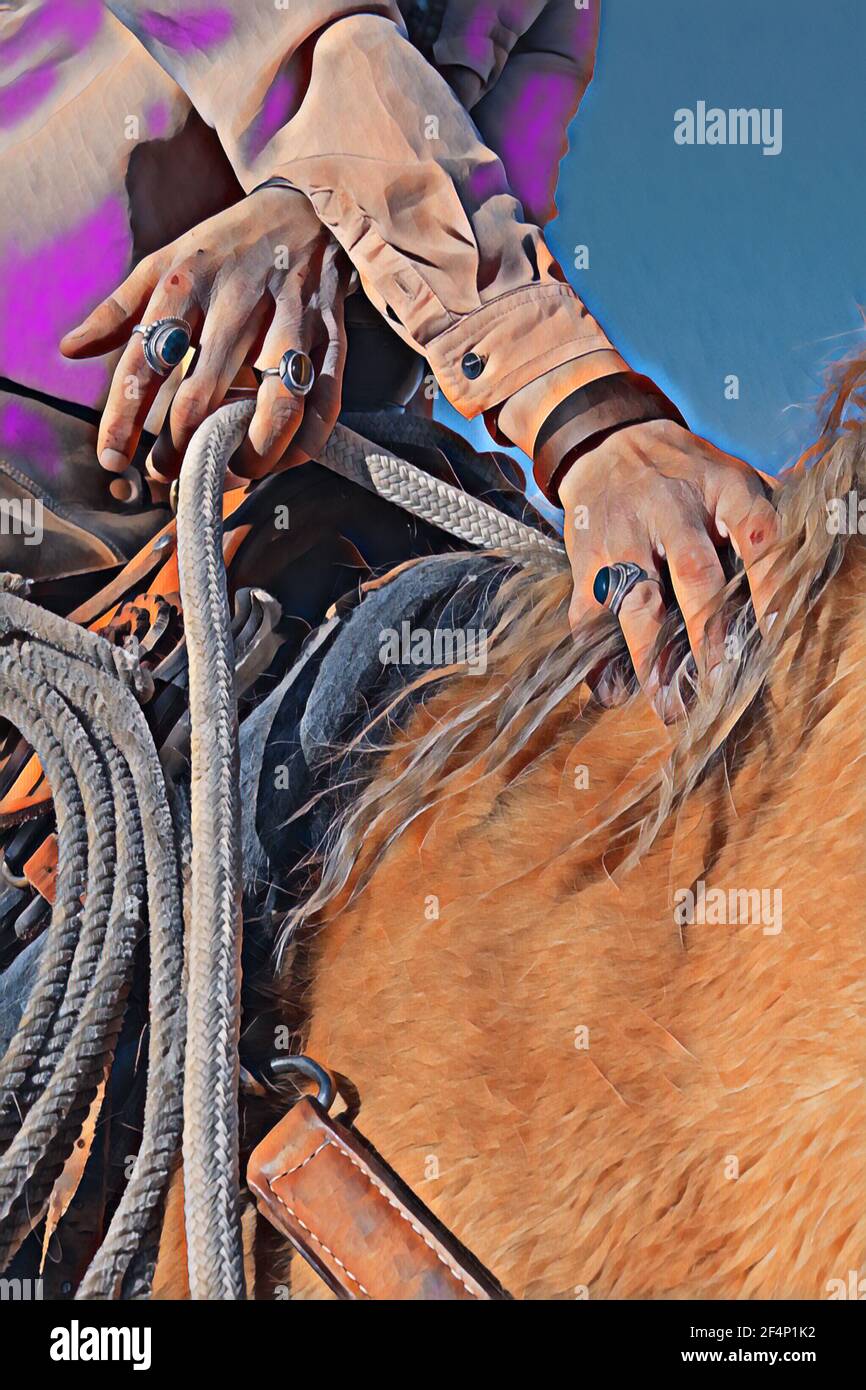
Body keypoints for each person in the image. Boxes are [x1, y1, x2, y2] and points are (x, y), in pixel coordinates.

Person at [0, 0, 779, 705]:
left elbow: (493, 193)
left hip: (286, 486)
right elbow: (297, 39)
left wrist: (317, 211)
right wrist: (582, 411)